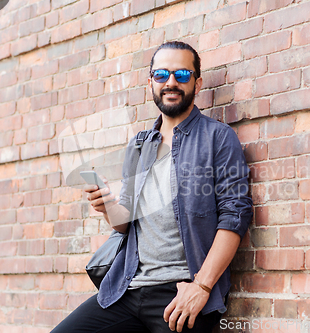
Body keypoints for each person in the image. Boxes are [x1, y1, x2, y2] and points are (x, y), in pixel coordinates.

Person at [51, 41, 253, 333]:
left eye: (182, 75)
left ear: (197, 83)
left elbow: (235, 217)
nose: (171, 82)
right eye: (162, 75)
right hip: (127, 288)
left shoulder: (217, 138)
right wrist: (107, 205)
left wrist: (202, 286)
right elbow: (125, 223)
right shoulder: (140, 144)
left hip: (180, 294)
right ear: (151, 83)